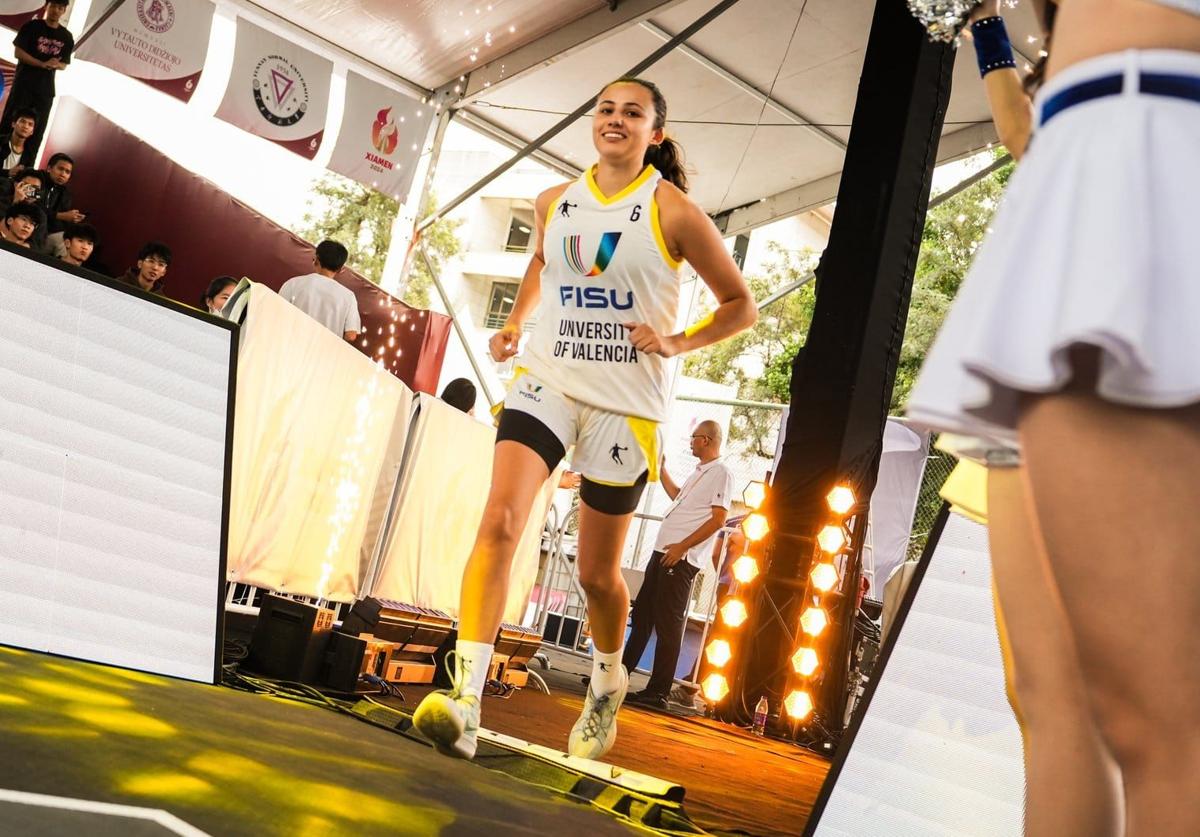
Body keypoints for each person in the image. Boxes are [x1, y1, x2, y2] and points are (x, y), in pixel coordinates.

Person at [907, 2, 1200, 835]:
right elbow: (1019, 132)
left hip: (1166, 135)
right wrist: (988, 26)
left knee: (1161, 718)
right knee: (1050, 697)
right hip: (1075, 177)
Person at [413, 77, 756, 761]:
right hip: (548, 378)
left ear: (654, 133)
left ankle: (606, 683)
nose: (616, 120)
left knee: (601, 576)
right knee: (501, 519)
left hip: (625, 404)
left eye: (633, 113)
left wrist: (678, 341)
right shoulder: (554, 201)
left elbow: (739, 305)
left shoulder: (673, 211)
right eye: (605, 109)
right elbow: (542, 257)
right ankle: (465, 697)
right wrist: (514, 321)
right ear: (592, 122)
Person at [623, 421, 734, 710]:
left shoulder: (721, 473)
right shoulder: (700, 473)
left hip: (680, 558)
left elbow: (719, 519)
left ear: (707, 440)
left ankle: (657, 691)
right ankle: (618, 675)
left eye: (694, 438)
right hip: (664, 552)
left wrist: (683, 547)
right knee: (643, 614)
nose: (691, 443)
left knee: (668, 624)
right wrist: (661, 470)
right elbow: (678, 499)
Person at [2, 1, 73, 155]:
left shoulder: (66, 36)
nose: (56, 10)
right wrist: (41, 63)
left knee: (37, 131)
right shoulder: (31, 27)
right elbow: (18, 53)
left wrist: (56, 64)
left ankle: (26, 168)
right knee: (10, 123)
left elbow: (64, 64)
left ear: (64, 11)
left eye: (60, 8)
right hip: (24, 85)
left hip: (45, 90)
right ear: (46, 6)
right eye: (53, 6)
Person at [279, 240, 361, 341]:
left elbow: (278, 313)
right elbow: (351, 335)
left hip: (290, 343)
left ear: (316, 259)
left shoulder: (293, 283)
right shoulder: (349, 297)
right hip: (323, 353)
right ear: (340, 269)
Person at [40, 152, 82, 249]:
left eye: (67, 172)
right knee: (63, 242)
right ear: (49, 168)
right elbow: (33, 206)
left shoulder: (64, 193)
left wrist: (72, 219)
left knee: (73, 241)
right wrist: (60, 216)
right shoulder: (37, 180)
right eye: (60, 169)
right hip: (30, 228)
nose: (63, 174)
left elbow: (61, 221)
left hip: (48, 234)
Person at [0, 108, 38, 175]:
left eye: (30, 124)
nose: (26, 126)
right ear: (13, 124)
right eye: (22, 121)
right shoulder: (1, 141)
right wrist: (7, 172)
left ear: (32, 131)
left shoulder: (30, 154)